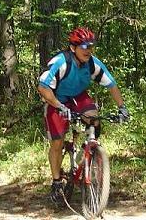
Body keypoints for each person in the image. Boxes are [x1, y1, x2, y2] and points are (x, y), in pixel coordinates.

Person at [37, 27, 130, 205]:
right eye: (84, 46)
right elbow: (43, 87)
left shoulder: (93, 63)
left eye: (91, 46)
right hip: (55, 98)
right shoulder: (61, 62)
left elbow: (111, 85)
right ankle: (56, 182)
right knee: (57, 142)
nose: (88, 50)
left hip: (79, 96)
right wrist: (59, 106)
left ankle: (89, 152)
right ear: (73, 48)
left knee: (94, 119)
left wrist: (122, 108)